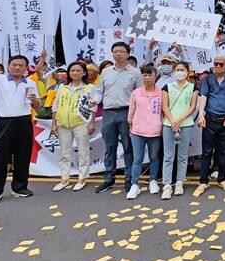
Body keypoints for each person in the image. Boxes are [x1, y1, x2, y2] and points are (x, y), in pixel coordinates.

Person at [0, 50, 40, 205]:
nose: (17, 68)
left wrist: (34, 101)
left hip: (24, 121)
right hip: (3, 121)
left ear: (26, 68)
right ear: (8, 66)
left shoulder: (31, 83)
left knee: (23, 155)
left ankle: (19, 187)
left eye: (21, 65)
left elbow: (37, 104)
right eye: (14, 65)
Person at [90, 42, 142, 194]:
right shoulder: (106, 72)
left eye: (121, 51)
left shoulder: (135, 72)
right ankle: (109, 178)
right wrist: (95, 100)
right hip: (108, 112)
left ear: (127, 54)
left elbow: (138, 94)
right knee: (109, 146)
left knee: (128, 147)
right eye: (115, 51)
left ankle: (129, 179)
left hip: (127, 112)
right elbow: (99, 91)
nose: (118, 54)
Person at [194, 54, 225, 196]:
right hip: (210, 119)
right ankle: (203, 180)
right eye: (216, 63)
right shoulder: (207, 79)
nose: (218, 66)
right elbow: (203, 97)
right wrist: (201, 114)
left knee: (224, 151)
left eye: (221, 64)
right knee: (207, 151)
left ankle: (222, 178)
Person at [50, 61, 95, 192]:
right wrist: (54, 123)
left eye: (78, 70)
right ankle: (64, 178)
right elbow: (55, 106)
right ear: (69, 73)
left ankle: (82, 178)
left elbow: (93, 107)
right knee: (64, 152)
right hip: (63, 123)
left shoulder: (89, 88)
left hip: (81, 123)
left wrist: (92, 122)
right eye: (72, 70)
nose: (75, 73)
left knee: (83, 151)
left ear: (84, 73)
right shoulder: (62, 87)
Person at [161, 61, 198, 199]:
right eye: (177, 69)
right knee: (168, 156)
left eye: (182, 69)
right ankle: (166, 185)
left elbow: (192, 107)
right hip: (168, 125)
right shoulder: (167, 87)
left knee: (183, 156)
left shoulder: (193, 88)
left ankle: (179, 183)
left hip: (186, 124)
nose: (180, 72)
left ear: (187, 72)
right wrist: (172, 121)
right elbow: (165, 106)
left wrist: (179, 121)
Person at [127, 65, 163, 199]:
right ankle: (134, 184)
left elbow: (164, 111)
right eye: (145, 75)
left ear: (155, 76)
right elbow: (131, 111)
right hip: (138, 130)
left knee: (154, 157)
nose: (147, 78)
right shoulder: (136, 92)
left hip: (155, 130)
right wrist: (130, 124)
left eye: (150, 75)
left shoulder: (161, 93)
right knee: (137, 159)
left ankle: (153, 180)